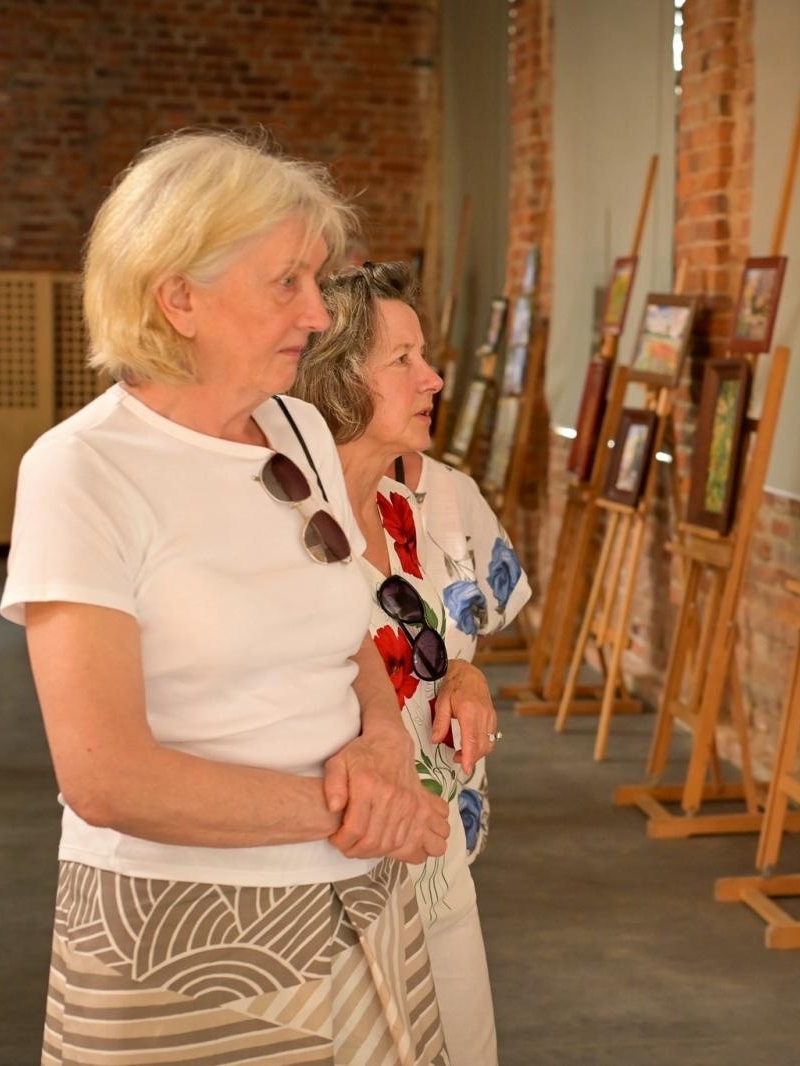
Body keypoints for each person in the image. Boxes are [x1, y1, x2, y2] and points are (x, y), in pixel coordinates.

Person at [2, 131, 451, 1063]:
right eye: (287, 282)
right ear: (180, 298)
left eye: (315, 280)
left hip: (353, 896)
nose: (318, 314)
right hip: (182, 930)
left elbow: (347, 631)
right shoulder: (83, 470)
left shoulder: (298, 428)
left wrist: (382, 742)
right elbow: (106, 777)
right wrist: (355, 810)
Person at [294, 261, 526, 1065]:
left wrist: (466, 674)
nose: (432, 378)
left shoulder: (424, 506)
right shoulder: (282, 524)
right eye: (403, 360)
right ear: (335, 378)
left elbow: (458, 641)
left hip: (437, 854)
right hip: (330, 870)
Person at [392, 440, 532, 869]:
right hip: (356, 782)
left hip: (446, 760)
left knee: (443, 895)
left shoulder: (454, 492)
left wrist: (462, 673)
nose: (430, 404)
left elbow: (495, 612)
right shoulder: (303, 486)